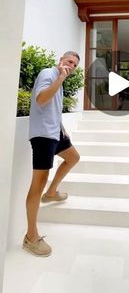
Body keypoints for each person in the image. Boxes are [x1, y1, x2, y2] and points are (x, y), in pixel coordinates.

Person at [23, 51, 80, 257]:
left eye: (74, 65)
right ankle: (30, 236)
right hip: (43, 135)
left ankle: (52, 193)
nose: (72, 66)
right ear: (61, 61)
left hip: (54, 131)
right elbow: (41, 99)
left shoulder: (59, 80)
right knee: (38, 182)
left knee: (73, 157)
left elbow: (52, 108)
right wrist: (61, 77)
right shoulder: (49, 73)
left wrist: (61, 126)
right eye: (69, 62)